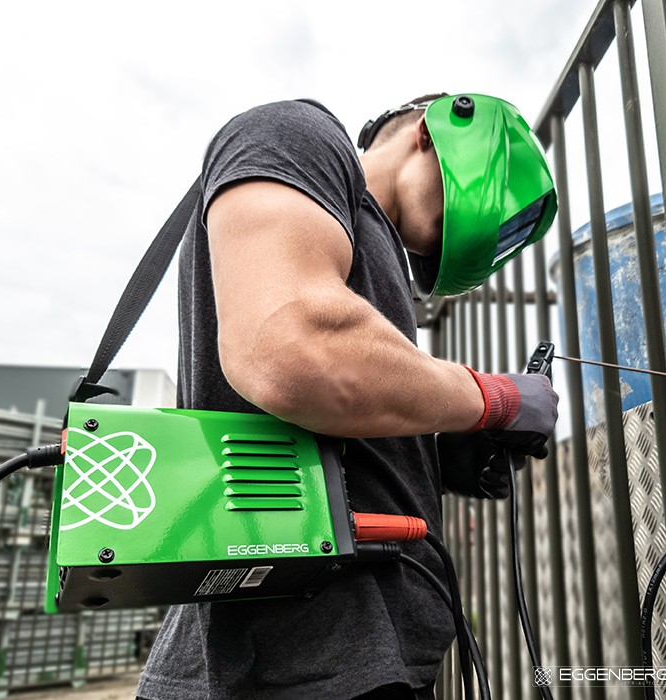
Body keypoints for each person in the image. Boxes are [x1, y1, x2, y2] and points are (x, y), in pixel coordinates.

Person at [135, 93, 559, 700]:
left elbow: (328, 420)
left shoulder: (368, 243)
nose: (491, 231)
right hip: (287, 663)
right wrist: (492, 397)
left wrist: (435, 458)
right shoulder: (297, 136)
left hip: (366, 655)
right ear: (429, 132)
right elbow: (291, 349)